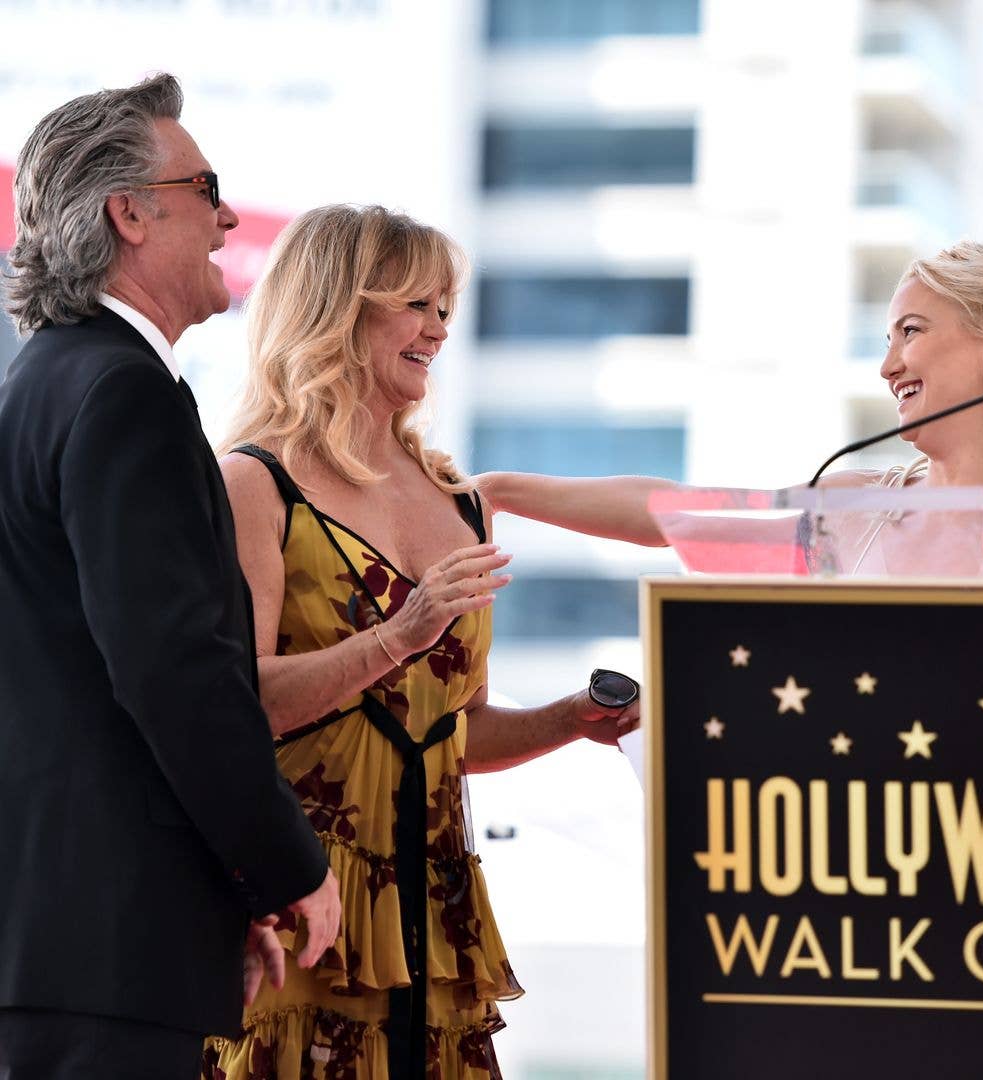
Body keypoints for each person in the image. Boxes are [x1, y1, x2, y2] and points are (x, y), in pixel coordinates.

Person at [203, 203, 639, 1080]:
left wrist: (568, 719)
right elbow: (237, 702)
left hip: (435, 914)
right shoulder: (254, 481)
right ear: (338, 309)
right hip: (298, 899)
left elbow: (452, 729)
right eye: (416, 304)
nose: (440, 328)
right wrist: (402, 632)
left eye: (446, 306)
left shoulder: (459, 500)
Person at [0, 75, 341, 1080]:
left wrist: (219, 892)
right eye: (207, 186)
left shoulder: (48, 381)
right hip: (98, 949)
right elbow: (175, 673)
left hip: (67, 938)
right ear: (130, 213)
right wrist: (285, 867)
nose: (230, 214)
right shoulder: (121, 396)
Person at [476, 241, 983, 574]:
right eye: (886, 340)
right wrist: (501, 492)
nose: (887, 367)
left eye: (912, 332)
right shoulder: (854, 510)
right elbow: (676, 519)